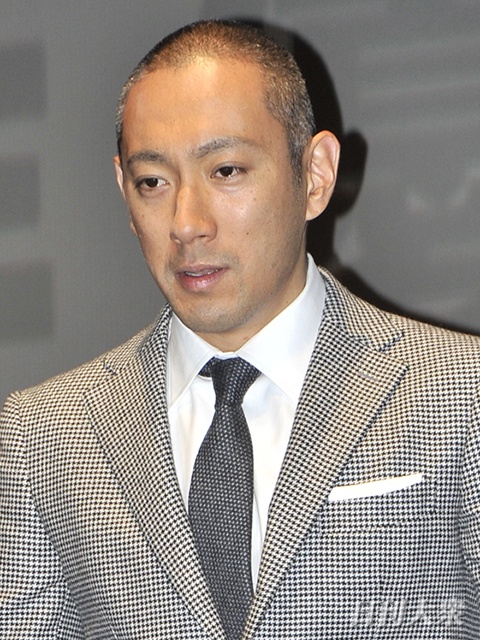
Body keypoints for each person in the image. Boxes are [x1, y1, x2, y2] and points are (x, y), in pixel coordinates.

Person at [1, 19, 479, 640]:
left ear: (315, 175)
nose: (186, 223)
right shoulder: (41, 436)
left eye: (226, 171)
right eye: (153, 182)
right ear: (123, 189)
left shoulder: (460, 394)